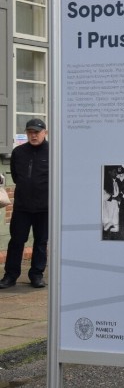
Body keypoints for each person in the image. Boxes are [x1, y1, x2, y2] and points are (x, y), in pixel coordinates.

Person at [0, 119, 50, 289]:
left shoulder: (53, 152)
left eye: (36, 132)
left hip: (45, 207)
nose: (33, 135)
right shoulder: (19, 152)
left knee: (41, 242)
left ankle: (36, 275)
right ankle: (10, 275)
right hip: (22, 206)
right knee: (16, 241)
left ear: (45, 132)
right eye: (30, 132)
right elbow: (15, 176)